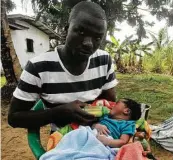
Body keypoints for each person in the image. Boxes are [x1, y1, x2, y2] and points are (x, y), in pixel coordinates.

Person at [8, 1, 118, 131]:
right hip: (62, 142)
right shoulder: (38, 67)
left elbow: (109, 104)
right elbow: (14, 118)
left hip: (100, 135)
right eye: (81, 32)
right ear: (67, 30)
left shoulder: (103, 60)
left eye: (97, 37)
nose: (88, 43)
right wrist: (58, 113)